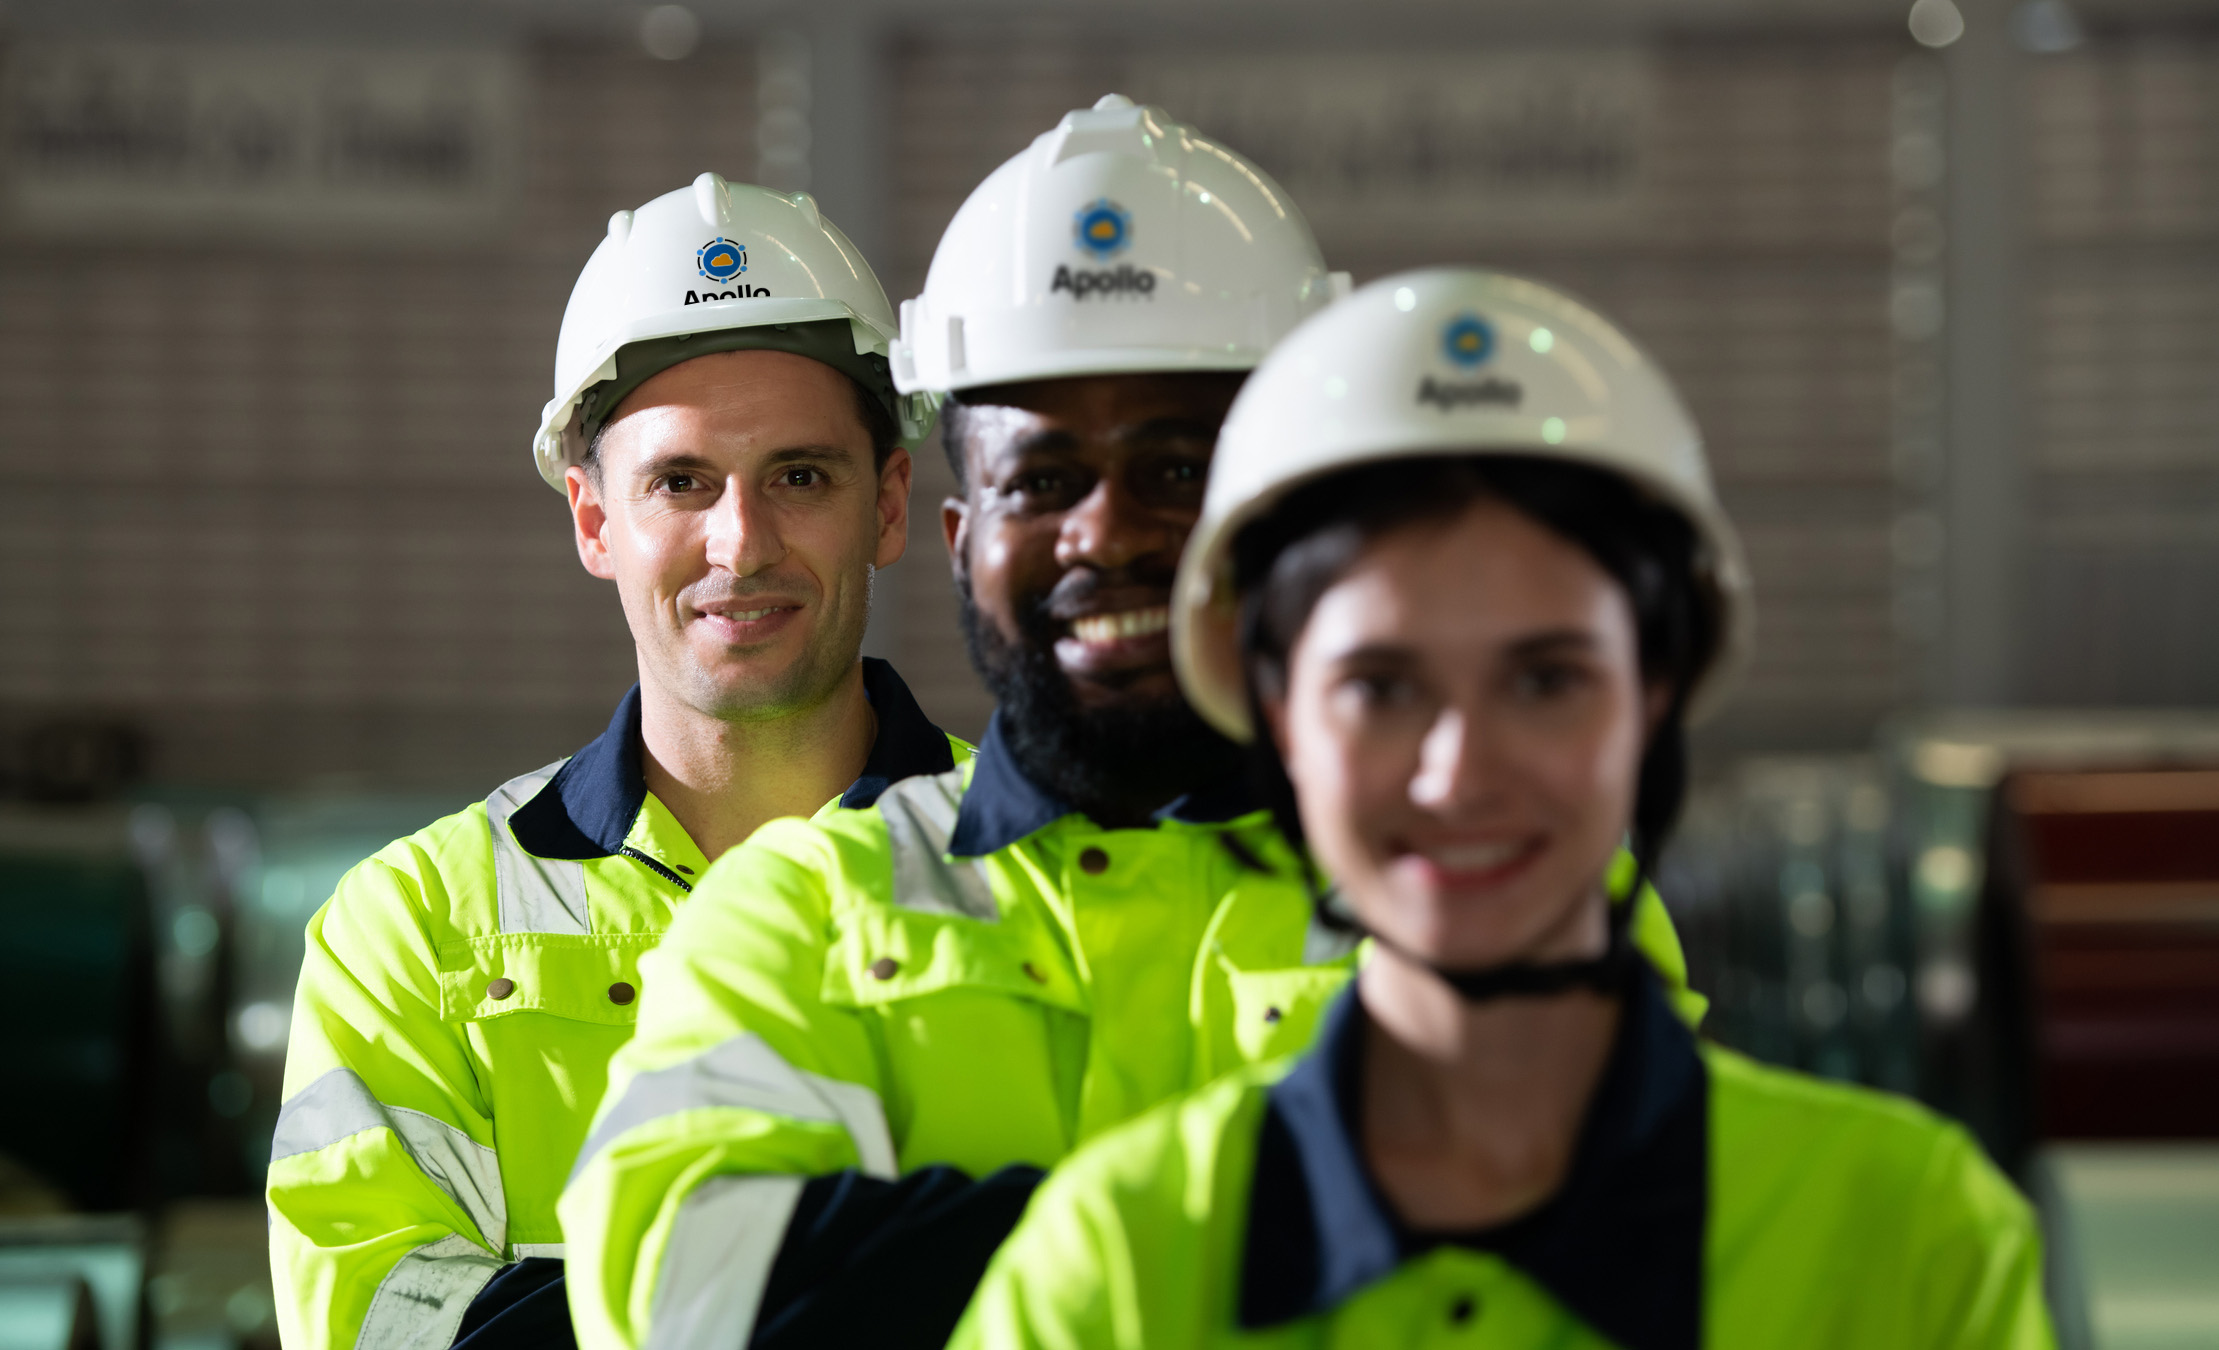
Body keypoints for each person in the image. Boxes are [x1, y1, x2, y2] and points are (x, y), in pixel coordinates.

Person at [559, 107, 1701, 1350]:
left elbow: (1636, 1272)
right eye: (1043, 482)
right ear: (958, 541)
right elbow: (690, 1298)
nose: (1104, 537)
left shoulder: (1515, 887)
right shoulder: (789, 917)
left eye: (1175, 473)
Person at [950, 267, 2055, 1349]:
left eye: (1543, 680)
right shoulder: (1119, 1261)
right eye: (1381, 688)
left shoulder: (1902, 1236)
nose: (1458, 774)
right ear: (1277, 715)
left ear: (1652, 693)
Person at [267, 175, 964, 1350]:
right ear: (595, 522)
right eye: (680, 483)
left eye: (799, 476)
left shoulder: (1045, 870)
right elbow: (378, 1321)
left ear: (887, 506)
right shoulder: (410, 932)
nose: (739, 545)